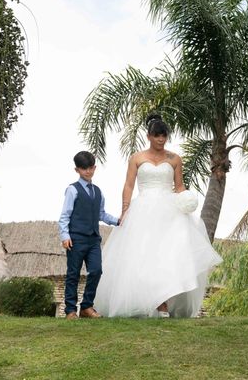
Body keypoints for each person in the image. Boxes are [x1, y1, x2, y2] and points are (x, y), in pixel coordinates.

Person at [95, 114, 222, 318]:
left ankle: (165, 304)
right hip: (143, 209)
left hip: (169, 210)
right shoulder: (137, 158)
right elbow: (128, 185)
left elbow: (179, 186)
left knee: (169, 255)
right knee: (144, 256)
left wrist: (186, 201)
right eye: (157, 136)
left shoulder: (174, 159)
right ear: (149, 136)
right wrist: (125, 210)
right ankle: (150, 303)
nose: (161, 139)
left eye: (164, 136)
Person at [58, 151, 119, 319]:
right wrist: (64, 236)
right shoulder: (72, 190)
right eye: (84, 169)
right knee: (73, 274)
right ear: (77, 170)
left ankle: (86, 306)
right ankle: (70, 310)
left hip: (93, 239)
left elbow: (102, 214)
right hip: (75, 238)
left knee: (96, 270)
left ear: (95, 167)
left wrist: (118, 221)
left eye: (91, 168)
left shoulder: (98, 192)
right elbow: (65, 215)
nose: (88, 172)